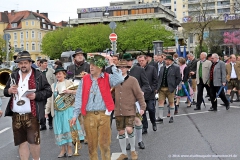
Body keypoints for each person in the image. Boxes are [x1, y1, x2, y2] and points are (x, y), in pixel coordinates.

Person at [70, 55, 124, 160]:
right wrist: (75, 115)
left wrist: (112, 64)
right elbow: (79, 97)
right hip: (89, 116)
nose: (91, 67)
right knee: (91, 146)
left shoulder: (108, 77)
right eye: (91, 65)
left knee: (105, 145)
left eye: (94, 65)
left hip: (104, 115)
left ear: (100, 67)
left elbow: (120, 78)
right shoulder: (84, 79)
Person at [3, 51, 52, 160]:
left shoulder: (38, 75)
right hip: (16, 115)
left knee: (34, 142)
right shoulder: (13, 75)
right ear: (18, 64)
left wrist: (36, 95)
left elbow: (48, 91)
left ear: (30, 63)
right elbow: (5, 92)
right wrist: (10, 90)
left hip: (32, 115)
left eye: (25, 62)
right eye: (20, 63)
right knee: (22, 143)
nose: (23, 65)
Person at [45, 66, 84, 158]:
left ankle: (70, 149)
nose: (58, 75)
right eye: (57, 74)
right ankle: (62, 150)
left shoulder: (69, 83)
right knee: (60, 130)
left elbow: (79, 92)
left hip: (68, 110)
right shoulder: (53, 86)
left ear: (64, 74)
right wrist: (46, 111)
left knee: (68, 129)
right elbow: (50, 100)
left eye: (60, 73)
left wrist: (70, 91)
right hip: (57, 112)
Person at [114, 60, 146, 160]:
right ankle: (124, 153)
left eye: (123, 67)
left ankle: (132, 150)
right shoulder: (115, 80)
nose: (121, 69)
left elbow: (139, 94)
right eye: (119, 67)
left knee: (129, 129)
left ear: (128, 69)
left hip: (130, 109)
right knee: (121, 132)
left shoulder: (133, 80)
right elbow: (110, 94)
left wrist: (142, 107)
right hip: (118, 110)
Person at [123, 53, 151, 150]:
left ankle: (139, 141)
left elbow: (146, 85)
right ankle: (130, 142)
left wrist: (141, 92)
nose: (128, 63)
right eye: (126, 61)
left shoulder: (139, 70)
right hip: (125, 101)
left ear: (132, 61)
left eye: (129, 61)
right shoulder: (121, 72)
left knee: (138, 121)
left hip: (136, 101)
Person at [156, 55, 181, 123]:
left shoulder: (176, 68)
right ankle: (160, 117)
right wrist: (157, 87)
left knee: (171, 102)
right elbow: (159, 78)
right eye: (166, 60)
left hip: (170, 88)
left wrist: (174, 85)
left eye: (169, 60)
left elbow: (178, 78)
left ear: (172, 61)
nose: (167, 61)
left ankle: (171, 117)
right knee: (160, 102)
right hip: (161, 88)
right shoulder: (162, 68)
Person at [138, 55, 158, 133]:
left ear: (146, 60)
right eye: (139, 61)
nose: (141, 62)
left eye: (142, 60)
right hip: (140, 95)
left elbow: (155, 80)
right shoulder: (137, 70)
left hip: (150, 94)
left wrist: (151, 89)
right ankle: (144, 127)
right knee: (142, 112)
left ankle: (153, 122)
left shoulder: (152, 69)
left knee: (151, 109)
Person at [38, 59, 56, 130]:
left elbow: (55, 81)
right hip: (40, 92)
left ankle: (50, 123)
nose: (46, 64)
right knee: (41, 108)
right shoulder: (37, 71)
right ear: (41, 64)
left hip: (49, 91)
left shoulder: (51, 71)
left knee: (50, 107)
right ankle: (43, 124)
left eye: (46, 63)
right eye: (45, 63)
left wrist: (54, 89)